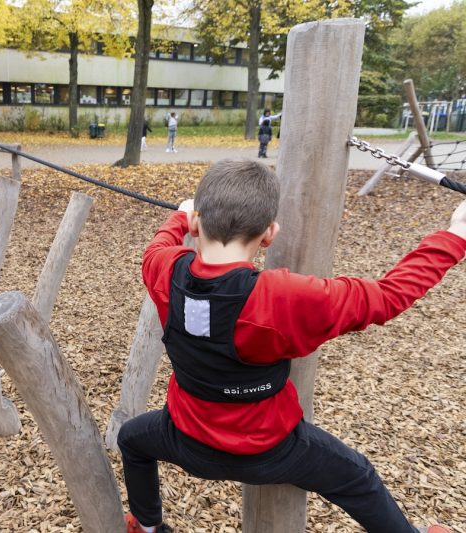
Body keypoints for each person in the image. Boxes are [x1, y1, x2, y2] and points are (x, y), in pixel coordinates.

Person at [118, 158, 466, 533]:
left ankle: (148, 526)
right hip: (270, 451)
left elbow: (155, 246)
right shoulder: (284, 297)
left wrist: (178, 217)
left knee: (132, 440)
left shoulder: (165, 270)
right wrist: (456, 234)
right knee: (358, 478)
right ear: (269, 234)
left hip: (185, 439)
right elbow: (388, 296)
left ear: (196, 224)